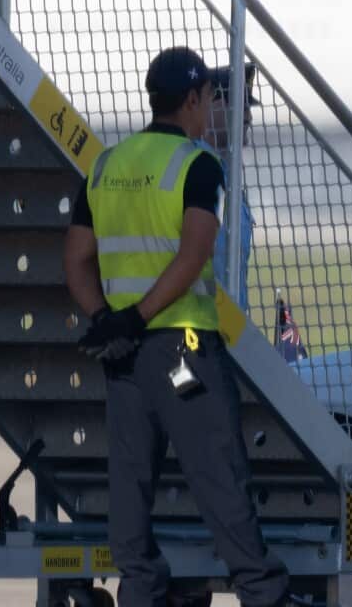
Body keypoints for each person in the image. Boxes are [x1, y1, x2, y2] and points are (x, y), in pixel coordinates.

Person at [63, 47, 289, 607]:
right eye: (210, 97)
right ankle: (262, 591)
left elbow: (75, 259)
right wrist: (139, 318)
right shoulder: (196, 165)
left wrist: (105, 319)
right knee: (218, 469)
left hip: (125, 358)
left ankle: (141, 590)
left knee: (131, 482)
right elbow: (193, 256)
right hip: (182, 353)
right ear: (192, 99)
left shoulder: (106, 165)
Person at [203, 62, 259, 311]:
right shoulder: (191, 169)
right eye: (239, 106)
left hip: (232, 326)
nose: (248, 117)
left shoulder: (229, 178)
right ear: (211, 104)